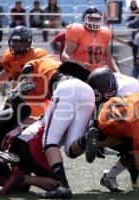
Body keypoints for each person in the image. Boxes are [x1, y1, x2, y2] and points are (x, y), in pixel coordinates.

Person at [17, 57, 95, 199]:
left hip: (66, 87)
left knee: (49, 141)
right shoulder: (52, 64)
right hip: (87, 92)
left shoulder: (34, 65)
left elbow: (26, 81)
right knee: (70, 150)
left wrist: (16, 92)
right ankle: (85, 139)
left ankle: (63, 187)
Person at [0, 26, 49, 117]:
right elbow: (5, 73)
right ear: (10, 41)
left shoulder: (39, 55)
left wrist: (19, 87)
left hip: (38, 98)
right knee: (4, 121)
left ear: (29, 42)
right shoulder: (8, 55)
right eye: (15, 41)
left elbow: (45, 79)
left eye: (22, 41)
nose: (18, 45)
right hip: (16, 97)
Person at [62, 6, 117, 72]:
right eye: (91, 18)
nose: (94, 21)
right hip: (80, 71)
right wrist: (78, 65)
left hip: (99, 72)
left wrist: (115, 72)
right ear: (84, 18)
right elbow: (65, 56)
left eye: (97, 19)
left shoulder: (105, 32)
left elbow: (107, 56)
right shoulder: (77, 30)